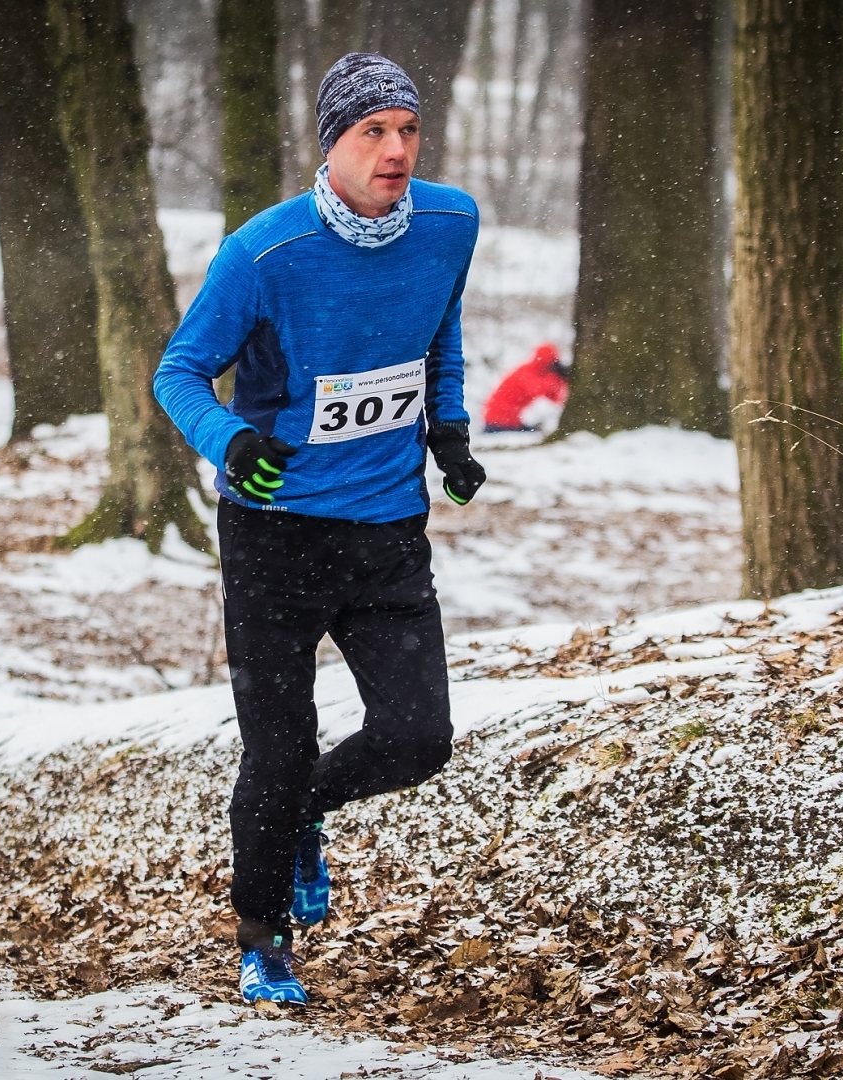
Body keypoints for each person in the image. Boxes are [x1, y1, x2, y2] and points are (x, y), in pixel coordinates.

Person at [153, 53, 485, 1006]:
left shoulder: (451, 224)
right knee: (279, 746)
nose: (396, 151)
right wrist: (230, 440)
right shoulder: (264, 253)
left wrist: (448, 428)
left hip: (387, 530)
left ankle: (303, 815)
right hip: (276, 536)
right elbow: (180, 371)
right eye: (372, 132)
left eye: (408, 130)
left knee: (419, 738)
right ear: (331, 144)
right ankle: (263, 942)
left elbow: (439, 332)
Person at [482, 343, 570, 433]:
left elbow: (554, 398)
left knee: (537, 432)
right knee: (536, 434)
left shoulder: (539, 374)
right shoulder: (527, 372)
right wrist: (555, 376)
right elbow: (537, 390)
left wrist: (562, 380)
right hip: (498, 421)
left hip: (508, 421)